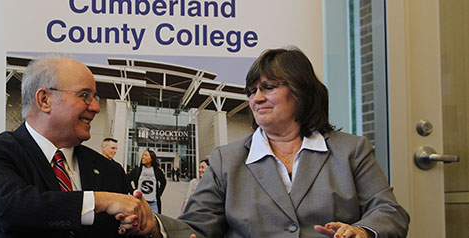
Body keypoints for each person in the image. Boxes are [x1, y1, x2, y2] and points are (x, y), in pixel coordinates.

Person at [123, 47, 410, 238]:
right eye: (252, 91)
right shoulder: (227, 159)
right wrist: (155, 224)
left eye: (268, 87)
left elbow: (390, 212)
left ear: (301, 90)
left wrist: (363, 231)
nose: (256, 98)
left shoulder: (351, 150)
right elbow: (197, 227)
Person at [0, 56, 151, 237]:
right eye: (85, 95)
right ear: (45, 100)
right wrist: (101, 201)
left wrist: (148, 228)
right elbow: (7, 210)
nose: (95, 107)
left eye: (95, 97)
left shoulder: (109, 171)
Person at [127, 149, 167, 214]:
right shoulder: (137, 170)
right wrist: (132, 191)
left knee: (153, 222)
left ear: (151, 158)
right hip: (139, 202)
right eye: (143, 155)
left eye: (146, 155)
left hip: (153, 203)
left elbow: (163, 182)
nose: (143, 157)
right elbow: (127, 180)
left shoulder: (157, 171)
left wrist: (159, 193)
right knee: (139, 221)